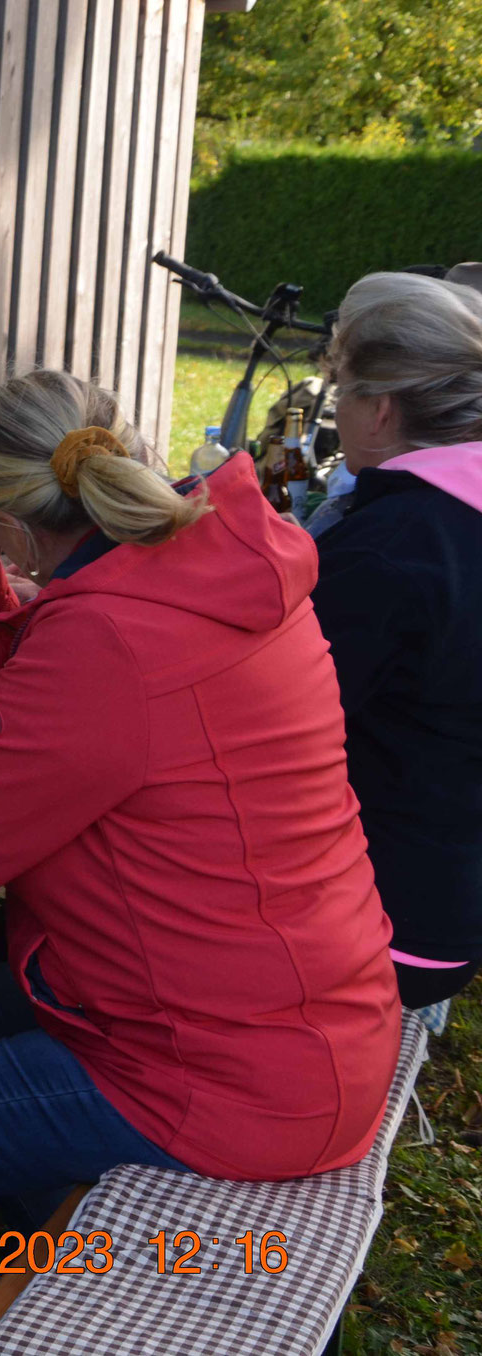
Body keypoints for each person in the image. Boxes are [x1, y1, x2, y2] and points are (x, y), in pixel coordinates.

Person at [0, 370, 401, 1355]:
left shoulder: (111, 634)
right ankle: (47, 1256)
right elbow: (51, 732)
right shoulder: (213, 566)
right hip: (312, 1018)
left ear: (9, 518)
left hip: (226, 1080)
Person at [311, 271, 482, 1008]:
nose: (336, 410)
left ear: (380, 409)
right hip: (455, 912)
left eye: (341, 389)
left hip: (383, 927)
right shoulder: (448, 521)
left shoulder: (392, 547)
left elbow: (278, 726)